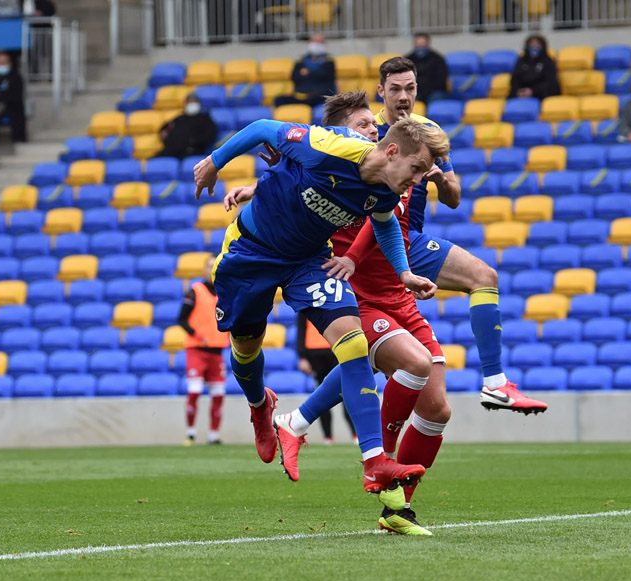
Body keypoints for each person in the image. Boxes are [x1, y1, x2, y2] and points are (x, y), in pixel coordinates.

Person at [191, 110, 447, 505]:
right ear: (393, 151)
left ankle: (375, 462)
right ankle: (260, 406)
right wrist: (214, 162)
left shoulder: (386, 190)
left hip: (309, 262)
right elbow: (262, 128)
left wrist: (404, 273)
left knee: (354, 343)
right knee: (245, 347)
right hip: (251, 253)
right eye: (416, 169)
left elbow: (384, 224)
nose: (417, 180)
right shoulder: (330, 148)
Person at [374, 57, 548, 414]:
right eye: (395, 89)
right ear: (381, 92)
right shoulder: (368, 131)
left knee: (435, 408)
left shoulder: (429, 133)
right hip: (376, 242)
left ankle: (495, 385)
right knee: (361, 356)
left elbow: (454, 198)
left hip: (409, 240)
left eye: (410, 88)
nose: (403, 96)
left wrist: (441, 179)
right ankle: (303, 419)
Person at [177, 256, 229, 446]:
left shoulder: (226, 291)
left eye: (215, 266)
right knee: (195, 391)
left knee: (219, 393)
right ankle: (190, 432)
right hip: (197, 350)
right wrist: (197, 335)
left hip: (217, 350)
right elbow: (181, 319)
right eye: (209, 266)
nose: (211, 269)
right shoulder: (195, 291)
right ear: (204, 270)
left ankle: (213, 435)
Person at [294, 310, 356, 445]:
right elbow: (301, 329)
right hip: (315, 355)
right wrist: (302, 357)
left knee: (347, 393)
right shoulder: (305, 304)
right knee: (322, 395)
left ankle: (355, 435)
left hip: (336, 350)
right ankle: (328, 437)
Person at [274, 33, 336, 107]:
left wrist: (308, 72)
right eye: (314, 41)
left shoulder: (329, 61)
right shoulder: (300, 61)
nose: (316, 44)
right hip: (301, 96)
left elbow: (326, 75)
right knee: (279, 100)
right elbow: (294, 77)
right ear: (309, 43)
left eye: (320, 42)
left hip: (320, 96)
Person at [157, 94, 217, 159]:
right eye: (189, 102)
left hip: (192, 150)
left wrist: (194, 141)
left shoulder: (205, 119)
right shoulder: (180, 118)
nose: (192, 104)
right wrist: (163, 133)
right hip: (172, 150)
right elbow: (165, 128)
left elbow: (210, 136)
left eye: (194, 102)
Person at [509, 34, 560, 101]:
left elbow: (551, 83)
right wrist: (519, 91)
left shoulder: (548, 61)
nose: (534, 46)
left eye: (537, 44)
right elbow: (515, 79)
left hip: (542, 96)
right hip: (521, 95)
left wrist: (532, 91)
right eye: (532, 44)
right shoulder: (522, 61)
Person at [404, 33, 448, 104]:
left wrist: (426, 90)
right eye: (418, 44)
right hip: (415, 90)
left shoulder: (438, 59)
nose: (420, 46)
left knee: (436, 98)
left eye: (423, 44)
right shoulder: (407, 60)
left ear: (428, 44)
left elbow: (441, 81)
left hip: (434, 91)